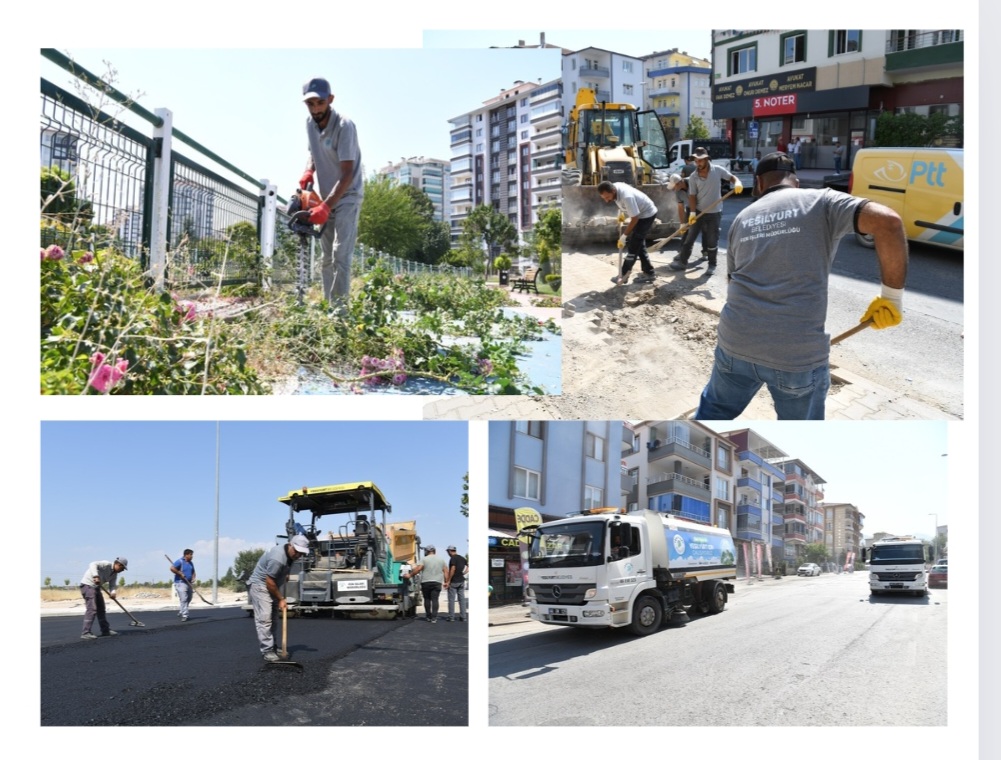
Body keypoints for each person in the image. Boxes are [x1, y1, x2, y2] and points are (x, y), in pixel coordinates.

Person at [694, 152, 908, 420]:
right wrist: (892, 298)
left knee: (714, 412)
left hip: (735, 342)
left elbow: (732, 282)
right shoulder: (822, 201)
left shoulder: (743, 217)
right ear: (795, 181)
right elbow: (888, 222)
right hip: (795, 357)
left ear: (759, 183)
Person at [299, 77, 364, 312]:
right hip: (326, 197)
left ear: (330, 100)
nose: (316, 109)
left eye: (320, 103)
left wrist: (326, 207)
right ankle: (329, 307)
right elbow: (312, 152)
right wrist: (309, 170)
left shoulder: (345, 126)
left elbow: (347, 174)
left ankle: (340, 312)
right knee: (326, 257)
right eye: (311, 104)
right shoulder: (310, 123)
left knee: (340, 254)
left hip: (347, 195)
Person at [669, 147, 743, 276]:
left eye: (700, 160)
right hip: (698, 211)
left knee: (712, 238)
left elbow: (732, 178)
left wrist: (738, 182)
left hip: (715, 212)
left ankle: (712, 264)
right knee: (690, 237)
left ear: (707, 159)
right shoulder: (693, 177)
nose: (698, 163)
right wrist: (692, 213)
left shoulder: (718, 171)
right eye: (696, 161)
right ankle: (682, 262)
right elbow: (691, 196)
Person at [248, 535, 311, 662]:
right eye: (297, 552)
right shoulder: (278, 558)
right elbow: (269, 581)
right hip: (260, 585)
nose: (299, 555)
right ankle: (267, 650)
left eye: (301, 553)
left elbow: (280, 573)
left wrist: (285, 574)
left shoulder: (291, 555)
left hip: (273, 585)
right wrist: (281, 598)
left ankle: (274, 646)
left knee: (274, 619)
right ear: (290, 545)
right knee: (265, 619)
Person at [597, 180, 658, 284]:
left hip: (646, 215)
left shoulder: (627, 197)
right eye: (604, 198)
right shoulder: (615, 187)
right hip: (639, 213)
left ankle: (623, 275)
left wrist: (624, 236)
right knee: (639, 244)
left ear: (613, 191)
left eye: (607, 197)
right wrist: (621, 212)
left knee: (633, 247)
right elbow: (621, 203)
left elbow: (635, 218)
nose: (606, 201)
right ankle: (649, 272)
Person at [79, 557, 127, 639]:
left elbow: (112, 585)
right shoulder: (106, 564)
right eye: (122, 568)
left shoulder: (114, 574)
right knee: (92, 609)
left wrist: (113, 592)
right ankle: (86, 632)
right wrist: (96, 576)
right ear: (118, 564)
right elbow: (92, 564)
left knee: (101, 609)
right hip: (88, 585)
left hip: (96, 587)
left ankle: (105, 631)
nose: (122, 571)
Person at [404, 545, 448, 623]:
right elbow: (445, 571)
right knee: (435, 600)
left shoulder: (424, 559)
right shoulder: (441, 560)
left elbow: (418, 569)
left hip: (426, 582)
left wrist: (410, 575)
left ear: (427, 551)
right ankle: (434, 618)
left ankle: (428, 616)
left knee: (427, 599)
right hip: (437, 582)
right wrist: (446, 582)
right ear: (434, 551)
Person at [169, 548, 196, 621]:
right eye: (190, 555)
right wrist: (179, 573)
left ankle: (182, 611)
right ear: (186, 555)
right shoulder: (180, 561)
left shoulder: (191, 563)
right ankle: (185, 615)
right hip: (180, 582)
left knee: (189, 598)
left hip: (188, 583)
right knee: (184, 599)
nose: (192, 556)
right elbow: (172, 568)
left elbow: (193, 572)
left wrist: (193, 578)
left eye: (192, 555)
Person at [444, 545, 468, 623]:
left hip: (454, 581)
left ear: (450, 551)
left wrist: (448, 581)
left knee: (451, 599)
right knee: (462, 600)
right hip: (461, 580)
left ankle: (451, 617)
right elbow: (468, 566)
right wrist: (463, 573)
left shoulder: (453, 558)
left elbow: (453, 569)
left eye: (448, 551)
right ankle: (463, 617)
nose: (448, 553)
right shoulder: (462, 558)